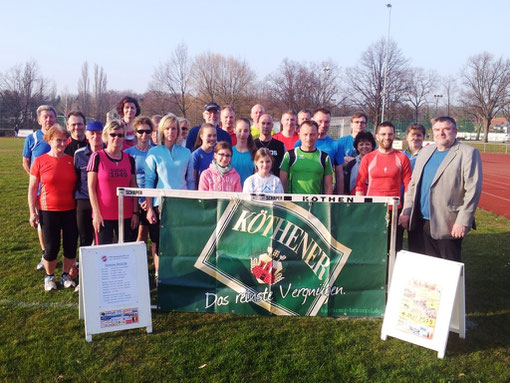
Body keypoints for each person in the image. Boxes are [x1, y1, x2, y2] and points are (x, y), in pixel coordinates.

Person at [399, 116, 483, 261]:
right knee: (420, 265)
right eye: (437, 130)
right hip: (419, 221)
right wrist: (407, 211)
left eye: (446, 129)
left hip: (447, 222)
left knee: (446, 268)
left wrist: (463, 221)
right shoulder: (425, 152)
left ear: (455, 131)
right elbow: (413, 184)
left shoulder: (468, 153)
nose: (441, 133)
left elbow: (472, 191)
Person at [28, 124, 78, 290]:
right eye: (58, 140)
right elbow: (33, 189)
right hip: (48, 210)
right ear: (49, 140)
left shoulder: (72, 161)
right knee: (51, 247)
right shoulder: (40, 161)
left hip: (70, 210)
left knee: (71, 245)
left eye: (64, 140)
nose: (62, 144)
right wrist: (32, 212)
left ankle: (65, 275)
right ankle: (49, 277)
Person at [145, 113, 194, 276]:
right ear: (162, 131)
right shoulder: (153, 152)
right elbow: (149, 182)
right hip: (161, 204)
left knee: (179, 242)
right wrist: (149, 208)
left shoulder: (187, 153)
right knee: (160, 242)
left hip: (182, 204)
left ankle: (178, 274)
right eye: (167, 128)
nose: (171, 132)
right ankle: (160, 273)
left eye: (174, 128)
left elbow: (190, 180)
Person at [355, 121, 412, 251]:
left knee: (393, 249)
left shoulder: (402, 158)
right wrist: (363, 209)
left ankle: (391, 272)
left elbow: (409, 186)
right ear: (377, 136)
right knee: (373, 248)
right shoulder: (369, 158)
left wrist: (405, 211)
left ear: (394, 136)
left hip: (395, 210)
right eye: (383, 134)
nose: (387, 137)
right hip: (373, 210)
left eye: (390, 134)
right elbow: (359, 185)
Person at [87, 120, 139, 245]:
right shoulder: (97, 157)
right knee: (104, 254)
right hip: (104, 216)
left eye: (120, 135)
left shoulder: (130, 159)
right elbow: (91, 188)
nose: (117, 138)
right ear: (106, 136)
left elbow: (134, 187)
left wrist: (135, 212)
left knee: (126, 252)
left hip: (126, 214)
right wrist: (96, 213)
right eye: (113, 134)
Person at [22, 104, 57, 270]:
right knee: (42, 224)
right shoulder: (32, 138)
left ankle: (57, 253)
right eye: (45, 116)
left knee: (60, 225)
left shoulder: (61, 136)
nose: (48, 119)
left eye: (51, 116)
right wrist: (34, 179)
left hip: (59, 189)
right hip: (40, 190)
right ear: (39, 120)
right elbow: (25, 161)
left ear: (56, 119)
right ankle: (45, 254)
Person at [295, 108, 344, 193]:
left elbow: (339, 175)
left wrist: (340, 197)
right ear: (312, 120)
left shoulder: (336, 145)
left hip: (323, 195)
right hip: (300, 194)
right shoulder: (299, 143)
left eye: (327, 122)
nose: (323, 125)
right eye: (320, 121)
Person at [280, 120, 333, 194]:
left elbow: (328, 186)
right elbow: (283, 183)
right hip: (293, 204)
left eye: (312, 134)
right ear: (299, 135)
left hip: (316, 204)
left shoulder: (324, 158)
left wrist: (327, 205)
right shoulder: (290, 155)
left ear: (317, 135)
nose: (308, 138)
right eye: (305, 134)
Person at [74, 121, 105, 247]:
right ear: (86, 135)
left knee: (103, 237)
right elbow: (76, 177)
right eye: (92, 134)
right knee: (85, 238)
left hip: (103, 201)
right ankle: (84, 266)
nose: (95, 137)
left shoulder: (109, 152)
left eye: (99, 133)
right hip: (84, 200)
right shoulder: (79, 154)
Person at [124, 117, 155, 245]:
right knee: (138, 236)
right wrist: (141, 200)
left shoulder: (157, 152)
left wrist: (149, 201)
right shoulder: (128, 153)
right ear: (135, 132)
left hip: (153, 200)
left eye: (148, 132)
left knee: (154, 238)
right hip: (134, 200)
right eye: (141, 131)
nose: (144, 135)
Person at [343, 131, 376, 195]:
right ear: (357, 147)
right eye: (361, 144)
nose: (364, 147)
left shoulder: (377, 163)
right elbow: (346, 186)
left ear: (372, 146)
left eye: (367, 144)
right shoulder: (351, 164)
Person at [191, 123, 217, 189]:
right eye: (209, 135)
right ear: (201, 136)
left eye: (214, 136)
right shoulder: (196, 155)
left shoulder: (216, 154)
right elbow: (193, 180)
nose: (212, 138)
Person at [231, 118, 256, 185]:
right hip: (232, 192)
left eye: (245, 131)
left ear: (249, 132)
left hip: (249, 192)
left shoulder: (255, 153)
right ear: (234, 130)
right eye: (239, 130)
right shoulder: (229, 152)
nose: (242, 134)